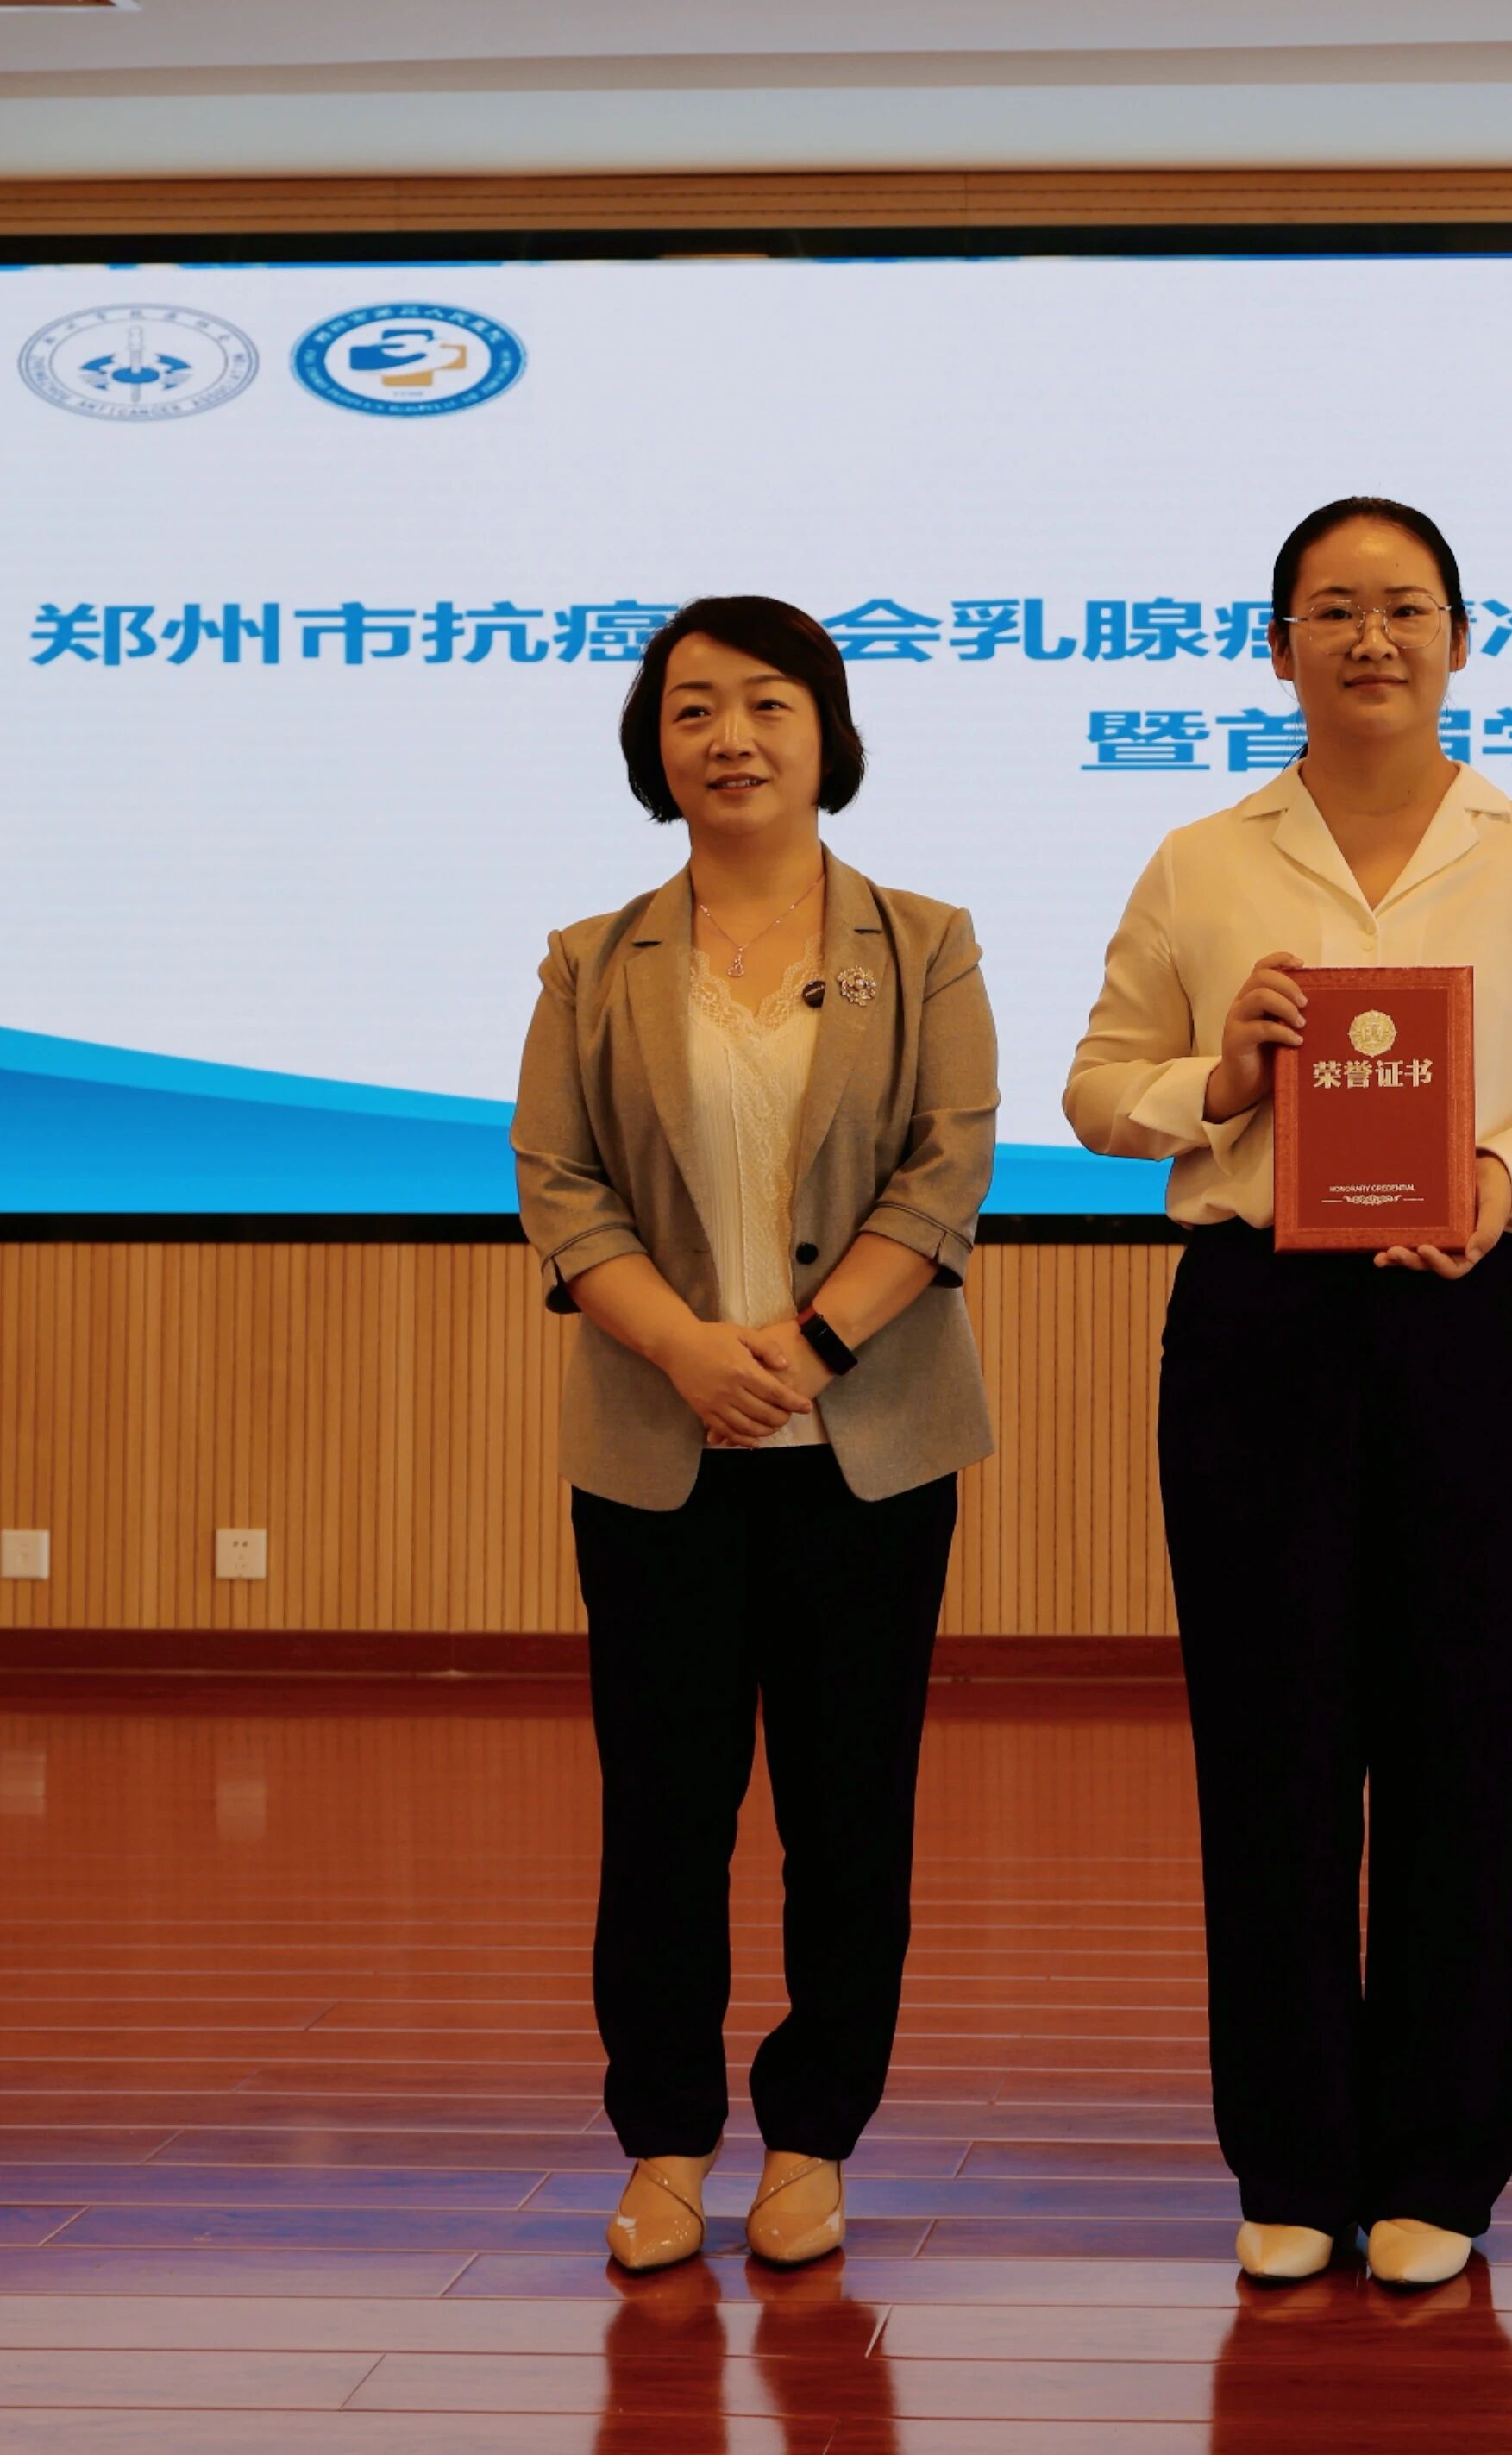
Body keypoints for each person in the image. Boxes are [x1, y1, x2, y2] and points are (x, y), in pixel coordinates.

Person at [1064, 496, 1512, 2289]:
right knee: (1268, 1744)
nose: (1371, 638)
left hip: (1471, 1317)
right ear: (1277, 648)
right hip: (1258, 1321)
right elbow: (1098, 1087)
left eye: (1405, 606)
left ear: (1462, 640)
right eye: (1332, 608)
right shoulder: (1200, 861)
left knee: (1464, 1740)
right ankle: (1291, 2156)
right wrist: (1216, 1081)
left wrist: (1503, 1173)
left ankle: (1441, 2161)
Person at [512, 594, 999, 2275]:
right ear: (654, 747)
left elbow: (944, 1169)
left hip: (869, 1450)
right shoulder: (591, 959)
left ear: (826, 732)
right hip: (657, 1451)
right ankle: (662, 2142)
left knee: (849, 1814)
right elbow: (559, 1182)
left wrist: (802, 1349)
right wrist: (683, 1350)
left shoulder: (923, 941)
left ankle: (812, 2137)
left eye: (767, 702)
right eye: (693, 707)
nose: (730, 737)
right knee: (663, 1813)